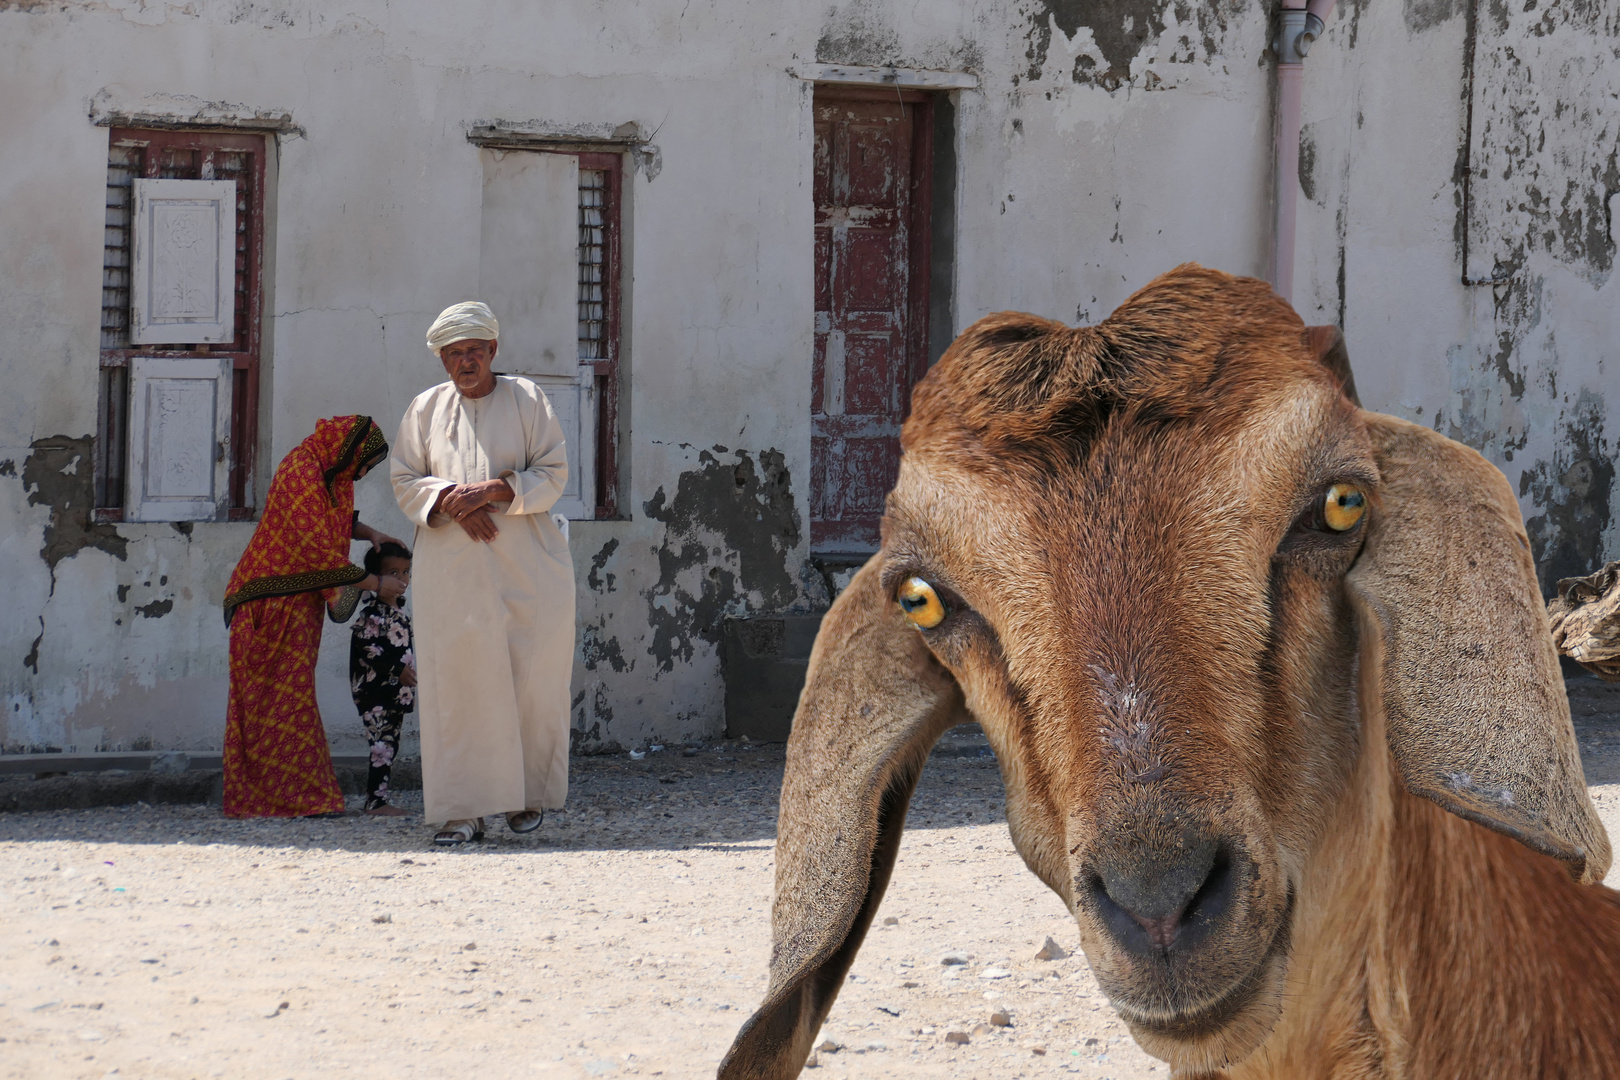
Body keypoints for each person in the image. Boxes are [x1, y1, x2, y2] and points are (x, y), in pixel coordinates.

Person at [391, 302, 576, 846]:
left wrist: (494, 492)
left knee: (530, 676)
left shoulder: (527, 399)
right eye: (454, 353)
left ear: (493, 351)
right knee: (459, 682)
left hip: (528, 562)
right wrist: (451, 500)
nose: (465, 361)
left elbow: (554, 471)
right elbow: (406, 480)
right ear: (442, 359)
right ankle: (462, 812)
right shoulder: (424, 409)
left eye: (474, 350)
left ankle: (524, 799)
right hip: (452, 568)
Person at [221, 415, 403, 818]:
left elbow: (333, 518)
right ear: (348, 449)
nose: (361, 473)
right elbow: (315, 547)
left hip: (294, 602)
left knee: (289, 699)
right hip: (269, 602)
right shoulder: (299, 469)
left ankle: (293, 798)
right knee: (274, 703)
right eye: (362, 463)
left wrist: (371, 534)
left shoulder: (327, 471)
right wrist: (375, 582)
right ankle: (287, 799)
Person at [350, 542, 417, 817]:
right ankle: (375, 803)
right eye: (393, 572)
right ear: (377, 577)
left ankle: (378, 799)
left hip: (394, 693)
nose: (401, 579)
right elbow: (367, 648)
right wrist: (396, 670)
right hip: (375, 693)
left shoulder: (398, 610)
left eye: (406, 571)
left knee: (390, 744)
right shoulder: (373, 613)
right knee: (381, 745)